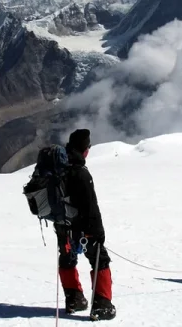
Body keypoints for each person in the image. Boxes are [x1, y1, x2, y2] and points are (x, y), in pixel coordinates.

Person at [56, 129, 116, 321]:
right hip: (84, 228)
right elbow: (90, 207)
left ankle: (74, 299)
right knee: (100, 259)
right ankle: (102, 305)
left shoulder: (60, 168)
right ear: (85, 150)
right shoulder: (81, 173)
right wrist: (98, 233)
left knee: (67, 257)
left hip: (63, 226)